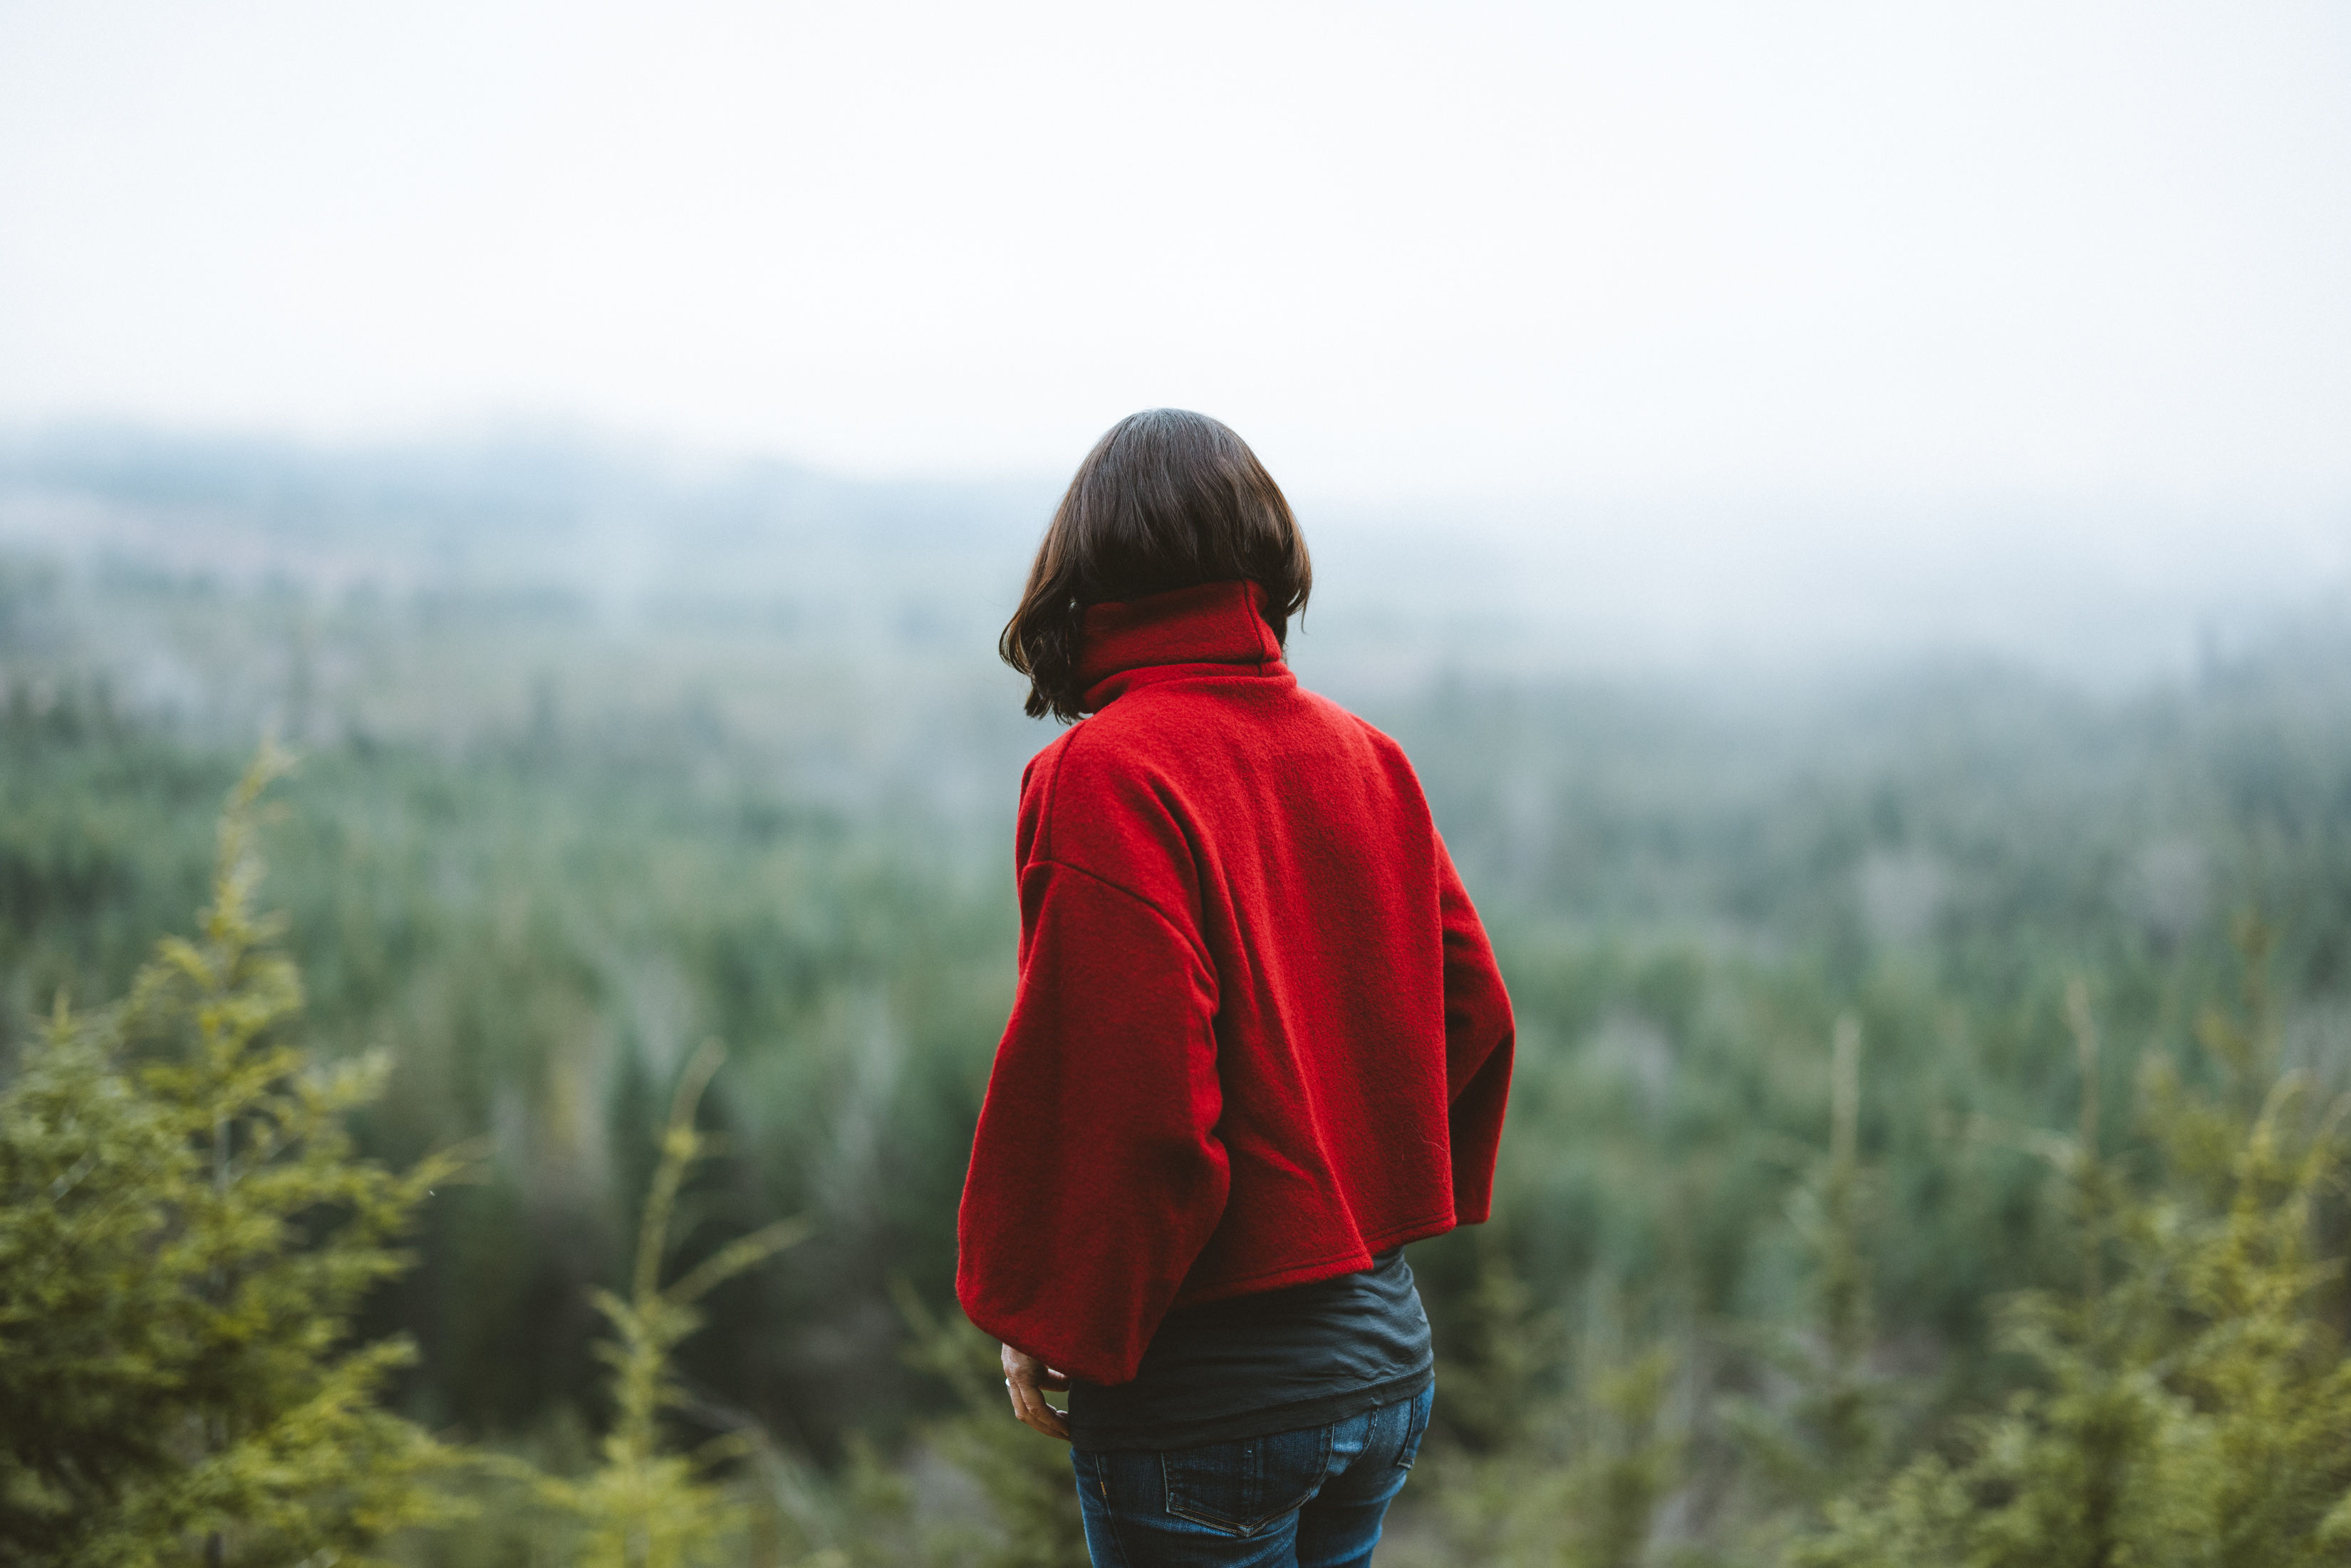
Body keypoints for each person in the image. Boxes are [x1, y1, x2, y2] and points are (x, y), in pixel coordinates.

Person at [956, 409, 1515, 1568]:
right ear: (1265, 553)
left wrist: (1052, 1317)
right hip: (1386, 1359)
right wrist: (1362, 1189)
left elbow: (1137, 1102)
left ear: (1085, 567)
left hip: (1208, 1398)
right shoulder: (1369, 757)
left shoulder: (1105, 775)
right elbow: (1472, 1016)